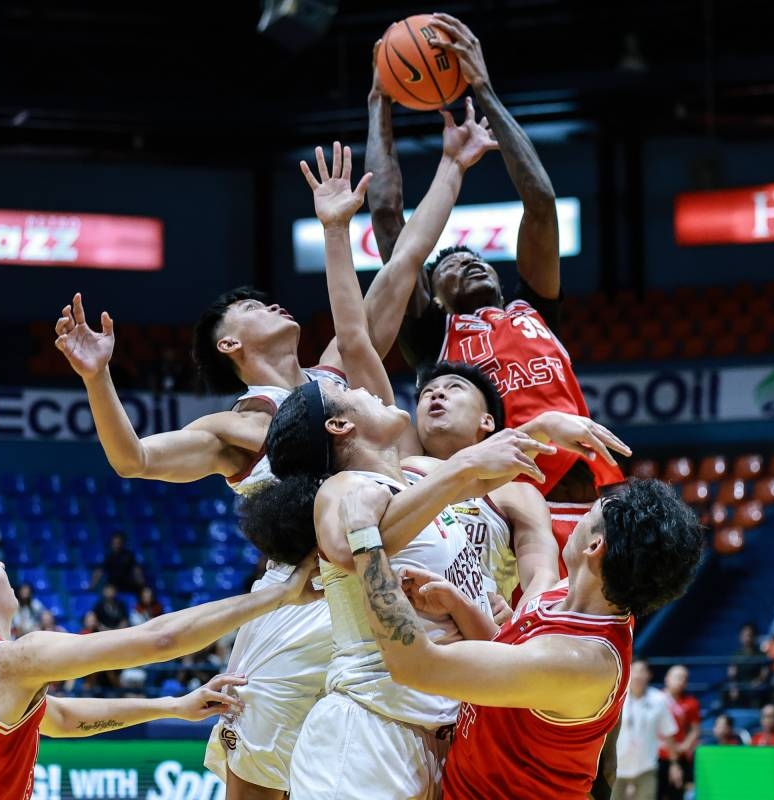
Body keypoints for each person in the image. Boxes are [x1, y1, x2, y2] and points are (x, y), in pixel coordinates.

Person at [198, 125, 500, 800]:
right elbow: (133, 458)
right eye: (251, 307)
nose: (374, 383)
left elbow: (389, 284)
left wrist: (447, 169)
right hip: (298, 614)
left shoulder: (356, 409)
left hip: (379, 655)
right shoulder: (252, 421)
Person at [365, 13, 623, 506]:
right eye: (449, 268)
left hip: (579, 492)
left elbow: (541, 204)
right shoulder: (430, 335)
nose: (468, 264)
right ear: (434, 296)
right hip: (490, 507)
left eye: (476, 260)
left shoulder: (533, 311)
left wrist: (482, 88)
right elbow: (385, 214)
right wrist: (379, 102)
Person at [0, 520, 322, 799]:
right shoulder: (13, 661)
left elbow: (61, 718)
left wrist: (172, 706)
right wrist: (278, 596)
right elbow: (160, 639)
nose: (3, 567)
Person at [340, 476, 704, 799]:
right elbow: (511, 663)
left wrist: (364, 537)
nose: (576, 523)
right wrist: (459, 605)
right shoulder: (574, 594)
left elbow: (415, 665)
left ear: (595, 548)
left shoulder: (578, 661)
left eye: (587, 517)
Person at [412, 361, 629, 606]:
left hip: (478, 636)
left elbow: (541, 577)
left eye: (454, 387)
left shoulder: (518, 494)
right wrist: (542, 425)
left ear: (487, 421)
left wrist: (517, 623)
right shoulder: (399, 470)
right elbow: (361, 347)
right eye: (428, 392)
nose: (437, 393)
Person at [612, 659, 681, 800]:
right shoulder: (616, 698)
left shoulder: (659, 700)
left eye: (642, 671)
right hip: (616, 768)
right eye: (634, 671)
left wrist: (675, 764)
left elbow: (669, 734)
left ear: (649, 675)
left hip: (647, 768)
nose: (637, 675)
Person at [660, 664, 701, 799]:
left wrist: (684, 746)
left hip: (680, 755)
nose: (681, 681)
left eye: (685, 679)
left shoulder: (691, 703)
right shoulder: (655, 699)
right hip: (657, 755)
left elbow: (695, 730)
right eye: (678, 677)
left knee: (676, 794)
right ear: (667, 678)